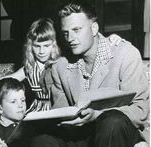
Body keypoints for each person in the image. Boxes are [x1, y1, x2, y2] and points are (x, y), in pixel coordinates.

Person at [37, 0, 149, 147]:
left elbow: (139, 110)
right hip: (83, 135)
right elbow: (61, 113)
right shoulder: (60, 66)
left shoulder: (125, 54)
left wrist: (97, 115)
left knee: (112, 122)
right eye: (66, 32)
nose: (70, 39)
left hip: (118, 132)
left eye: (76, 30)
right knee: (41, 140)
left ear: (94, 28)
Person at [7, 18, 123, 112]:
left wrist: (110, 39)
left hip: (58, 109)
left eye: (46, 46)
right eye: (37, 46)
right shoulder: (30, 67)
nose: (41, 51)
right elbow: (8, 80)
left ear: (54, 45)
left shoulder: (61, 62)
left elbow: (90, 43)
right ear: (30, 47)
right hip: (35, 111)